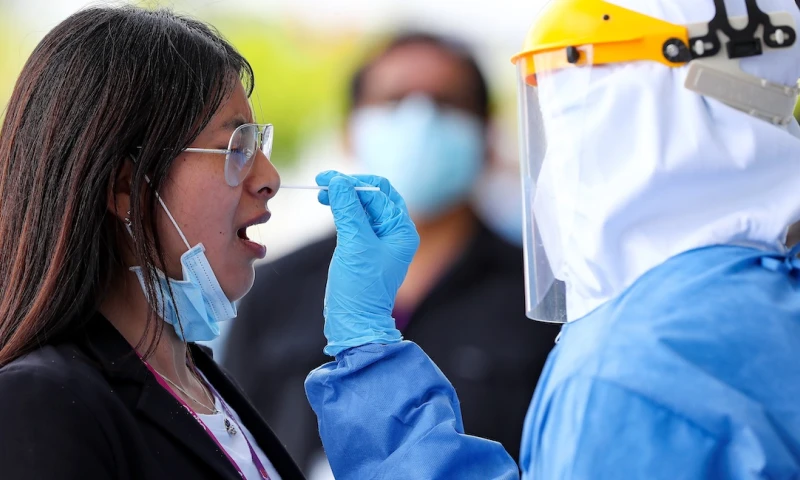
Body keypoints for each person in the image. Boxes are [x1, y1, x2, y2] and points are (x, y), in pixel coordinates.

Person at [299, 0, 800, 478]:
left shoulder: (636, 367)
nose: (554, 163)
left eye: (570, 114)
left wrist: (367, 356)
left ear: (648, 112)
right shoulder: (767, 299)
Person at [223, 31, 560, 476]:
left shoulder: (541, 298)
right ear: (350, 128)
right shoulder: (272, 288)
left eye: (447, 103)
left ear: (487, 134)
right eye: (393, 99)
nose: (420, 120)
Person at [0, 6, 309, 479]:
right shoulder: (40, 403)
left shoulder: (200, 382)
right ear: (126, 186)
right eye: (235, 148)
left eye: (258, 145)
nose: (268, 179)